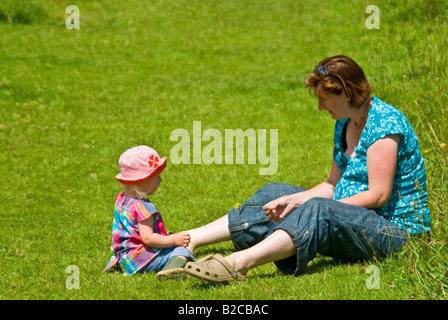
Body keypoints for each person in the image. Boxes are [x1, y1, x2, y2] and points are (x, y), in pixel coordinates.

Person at [181, 55, 431, 283]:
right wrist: (294, 199)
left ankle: (238, 264)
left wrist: (315, 206)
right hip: (356, 215)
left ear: (346, 93)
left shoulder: (385, 124)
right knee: (274, 193)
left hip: (395, 232)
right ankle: (189, 239)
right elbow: (333, 185)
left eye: (324, 99)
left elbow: (379, 195)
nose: (320, 107)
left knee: (317, 209)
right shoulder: (344, 121)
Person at [103, 145, 194, 279]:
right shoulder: (143, 207)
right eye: (157, 176)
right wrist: (173, 240)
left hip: (124, 257)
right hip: (141, 261)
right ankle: (170, 272)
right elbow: (148, 238)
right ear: (141, 181)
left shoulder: (121, 199)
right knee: (182, 251)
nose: (161, 180)